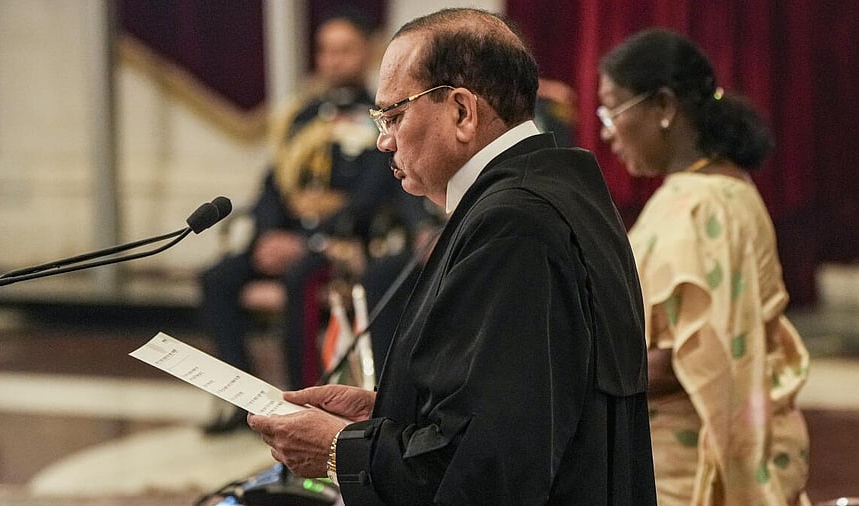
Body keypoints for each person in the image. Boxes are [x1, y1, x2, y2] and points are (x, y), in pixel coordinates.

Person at [249, 8, 657, 505]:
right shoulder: (551, 188)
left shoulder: (514, 223)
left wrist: (337, 450)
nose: (384, 140)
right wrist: (387, 410)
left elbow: (488, 466)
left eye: (394, 116)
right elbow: (520, 404)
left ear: (462, 111)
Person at [597, 28, 811, 505]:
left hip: (688, 470)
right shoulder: (713, 190)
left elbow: (695, 357)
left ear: (665, 107)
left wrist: (578, 369)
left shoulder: (703, 205)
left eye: (613, 108)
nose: (607, 130)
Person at [199, 11, 419, 433]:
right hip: (287, 237)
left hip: (341, 242)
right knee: (218, 277)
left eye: (344, 50)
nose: (333, 60)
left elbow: (374, 193)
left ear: (365, 54)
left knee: (302, 276)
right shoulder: (302, 117)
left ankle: (305, 401)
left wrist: (311, 239)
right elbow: (273, 184)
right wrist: (266, 237)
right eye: (325, 51)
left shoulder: (380, 114)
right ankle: (240, 399)